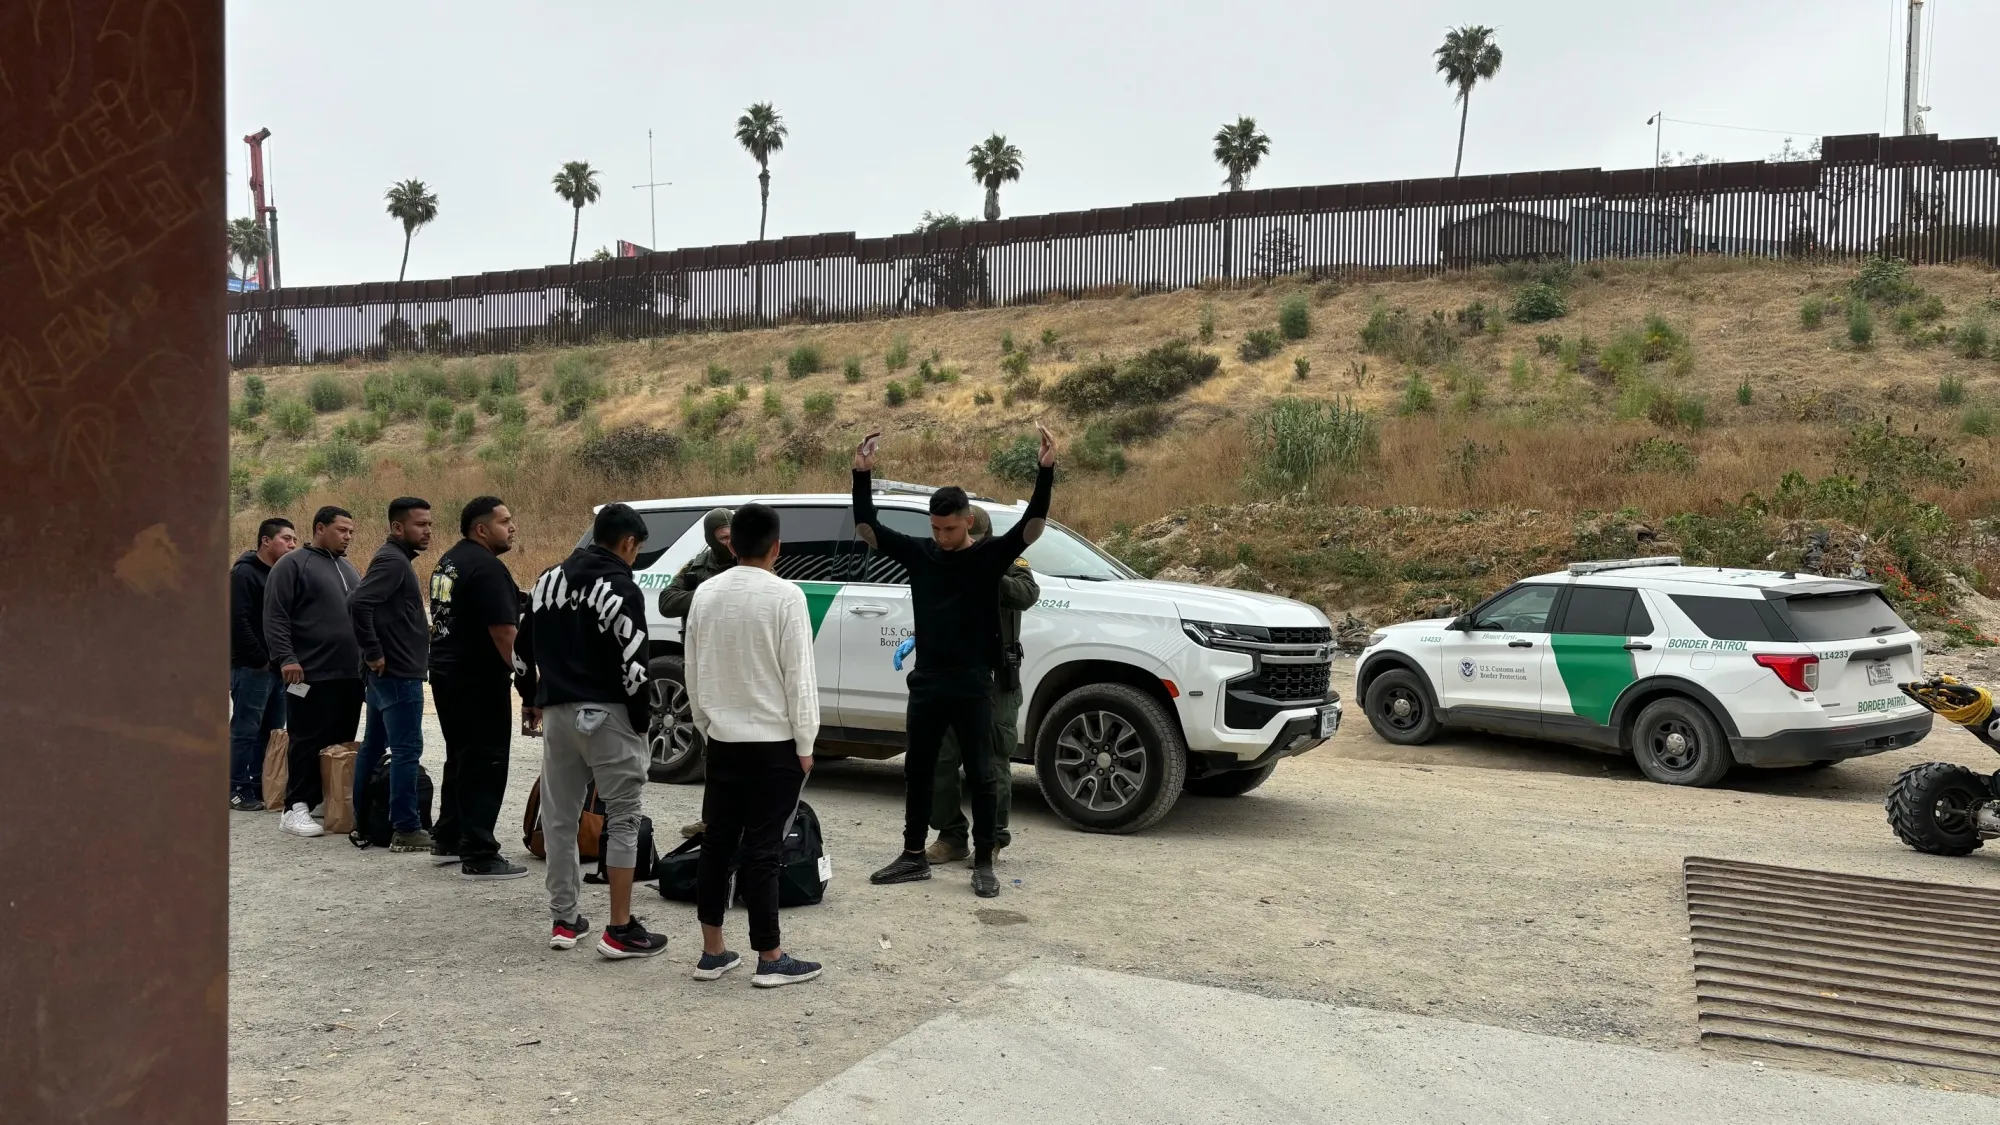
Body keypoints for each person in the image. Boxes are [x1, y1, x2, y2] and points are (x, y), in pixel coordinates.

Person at [853, 425, 1056, 898]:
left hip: (972, 683)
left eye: (949, 528)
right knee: (918, 769)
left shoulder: (989, 558)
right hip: (927, 683)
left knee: (983, 773)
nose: (941, 537)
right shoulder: (921, 554)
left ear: (968, 521)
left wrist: (1045, 472)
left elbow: (1032, 526)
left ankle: (984, 860)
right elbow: (867, 529)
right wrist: (861, 475)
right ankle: (912, 855)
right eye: (935, 528)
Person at [517, 503, 667, 959]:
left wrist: (529, 696)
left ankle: (565, 920)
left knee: (560, 817)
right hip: (608, 712)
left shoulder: (547, 581)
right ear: (627, 543)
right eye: (637, 549)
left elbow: (524, 649)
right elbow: (635, 665)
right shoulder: (621, 587)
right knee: (622, 816)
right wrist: (640, 722)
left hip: (558, 712)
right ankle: (620, 928)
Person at [684, 503, 824, 987]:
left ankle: (713, 952)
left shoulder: (704, 593)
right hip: (774, 743)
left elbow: (693, 671)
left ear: (730, 543)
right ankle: (770, 956)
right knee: (764, 850)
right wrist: (806, 742)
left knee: (717, 844)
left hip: (723, 740)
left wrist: (707, 727)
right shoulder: (786, 596)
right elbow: (799, 677)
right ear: (776, 547)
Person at [427, 496, 530, 880]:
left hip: (446, 673)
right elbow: (504, 633)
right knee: (486, 761)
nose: (513, 527)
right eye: (505, 521)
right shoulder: (488, 568)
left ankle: (450, 837)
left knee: (460, 757)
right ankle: (480, 853)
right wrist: (528, 678)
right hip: (476, 678)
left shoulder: (450, 560)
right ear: (482, 529)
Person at [927, 506, 1038, 863]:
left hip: (994, 681)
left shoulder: (1004, 560)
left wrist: (989, 574)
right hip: (950, 676)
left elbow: (1026, 593)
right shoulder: (943, 561)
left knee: (992, 758)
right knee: (942, 758)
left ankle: (991, 839)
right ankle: (950, 835)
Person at [264, 506, 365, 839]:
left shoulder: (348, 568)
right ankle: (295, 807)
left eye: (351, 531)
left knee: (338, 740)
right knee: (306, 739)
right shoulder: (292, 564)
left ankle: (324, 800)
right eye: (341, 530)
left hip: (349, 674)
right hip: (307, 674)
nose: (348, 536)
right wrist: (286, 658)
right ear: (319, 528)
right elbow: (276, 615)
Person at [348, 497, 435, 853]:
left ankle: (363, 819)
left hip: (391, 673)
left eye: (429, 524)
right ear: (398, 527)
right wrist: (373, 652)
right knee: (406, 750)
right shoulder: (393, 561)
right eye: (420, 525)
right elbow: (358, 603)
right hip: (397, 674)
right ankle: (406, 828)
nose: (427, 531)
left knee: (373, 746)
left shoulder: (395, 560)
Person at [229, 517, 300, 811]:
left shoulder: (284, 574)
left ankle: (261, 786)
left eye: (295, 539)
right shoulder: (244, 574)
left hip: (278, 669)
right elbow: (237, 621)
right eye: (286, 539)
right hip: (252, 668)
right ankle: (236, 788)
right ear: (266, 541)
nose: (293, 544)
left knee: (272, 731)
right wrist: (259, 659)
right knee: (246, 730)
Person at [657, 507, 734, 621]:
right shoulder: (696, 567)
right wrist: (709, 595)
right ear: (711, 539)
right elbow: (666, 603)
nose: (730, 543)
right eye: (723, 538)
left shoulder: (751, 561)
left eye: (733, 536)